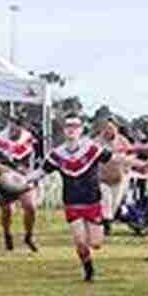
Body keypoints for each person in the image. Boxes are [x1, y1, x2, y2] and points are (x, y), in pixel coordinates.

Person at [34, 115, 115, 282]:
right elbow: (42, 171)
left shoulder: (91, 148)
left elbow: (112, 158)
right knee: (80, 242)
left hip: (92, 201)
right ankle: (88, 269)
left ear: (81, 129)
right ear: (64, 130)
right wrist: (25, 179)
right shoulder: (58, 153)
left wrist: (137, 163)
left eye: (75, 126)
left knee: (96, 243)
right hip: (72, 202)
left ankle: (106, 220)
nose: (71, 129)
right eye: (68, 126)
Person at [0, 115, 40, 252]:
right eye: (11, 127)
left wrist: (31, 173)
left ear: (22, 128)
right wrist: (10, 172)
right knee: (8, 211)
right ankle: (7, 234)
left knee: (30, 206)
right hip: (5, 178)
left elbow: (38, 159)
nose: (13, 131)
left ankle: (29, 236)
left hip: (24, 178)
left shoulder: (29, 138)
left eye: (16, 128)